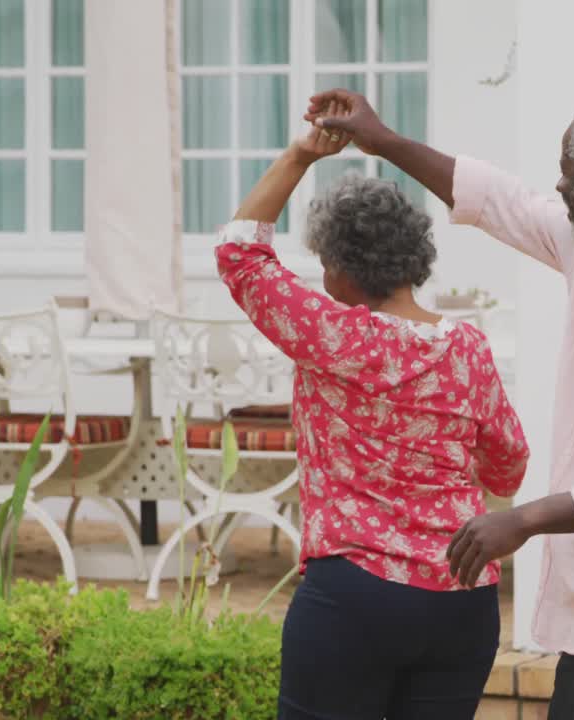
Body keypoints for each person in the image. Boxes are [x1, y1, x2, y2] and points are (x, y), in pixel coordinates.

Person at [307, 91, 574, 719]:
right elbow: (504, 203)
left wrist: (521, 520)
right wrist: (385, 142)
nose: (557, 184)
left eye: (567, 171)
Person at [216, 102, 530, 720]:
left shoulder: (332, 335)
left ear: (341, 271)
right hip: (460, 599)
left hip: (353, 596)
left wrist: (301, 155)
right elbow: (508, 467)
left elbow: (239, 254)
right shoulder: (468, 348)